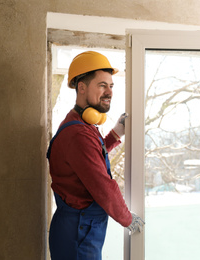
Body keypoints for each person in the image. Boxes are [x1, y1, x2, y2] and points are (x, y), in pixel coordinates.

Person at [46, 51, 145, 260]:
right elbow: (102, 185)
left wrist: (116, 133)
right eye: (102, 85)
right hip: (78, 233)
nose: (109, 92)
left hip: (79, 229)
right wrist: (127, 219)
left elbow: (89, 159)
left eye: (111, 86)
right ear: (81, 87)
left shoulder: (81, 124)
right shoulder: (78, 133)